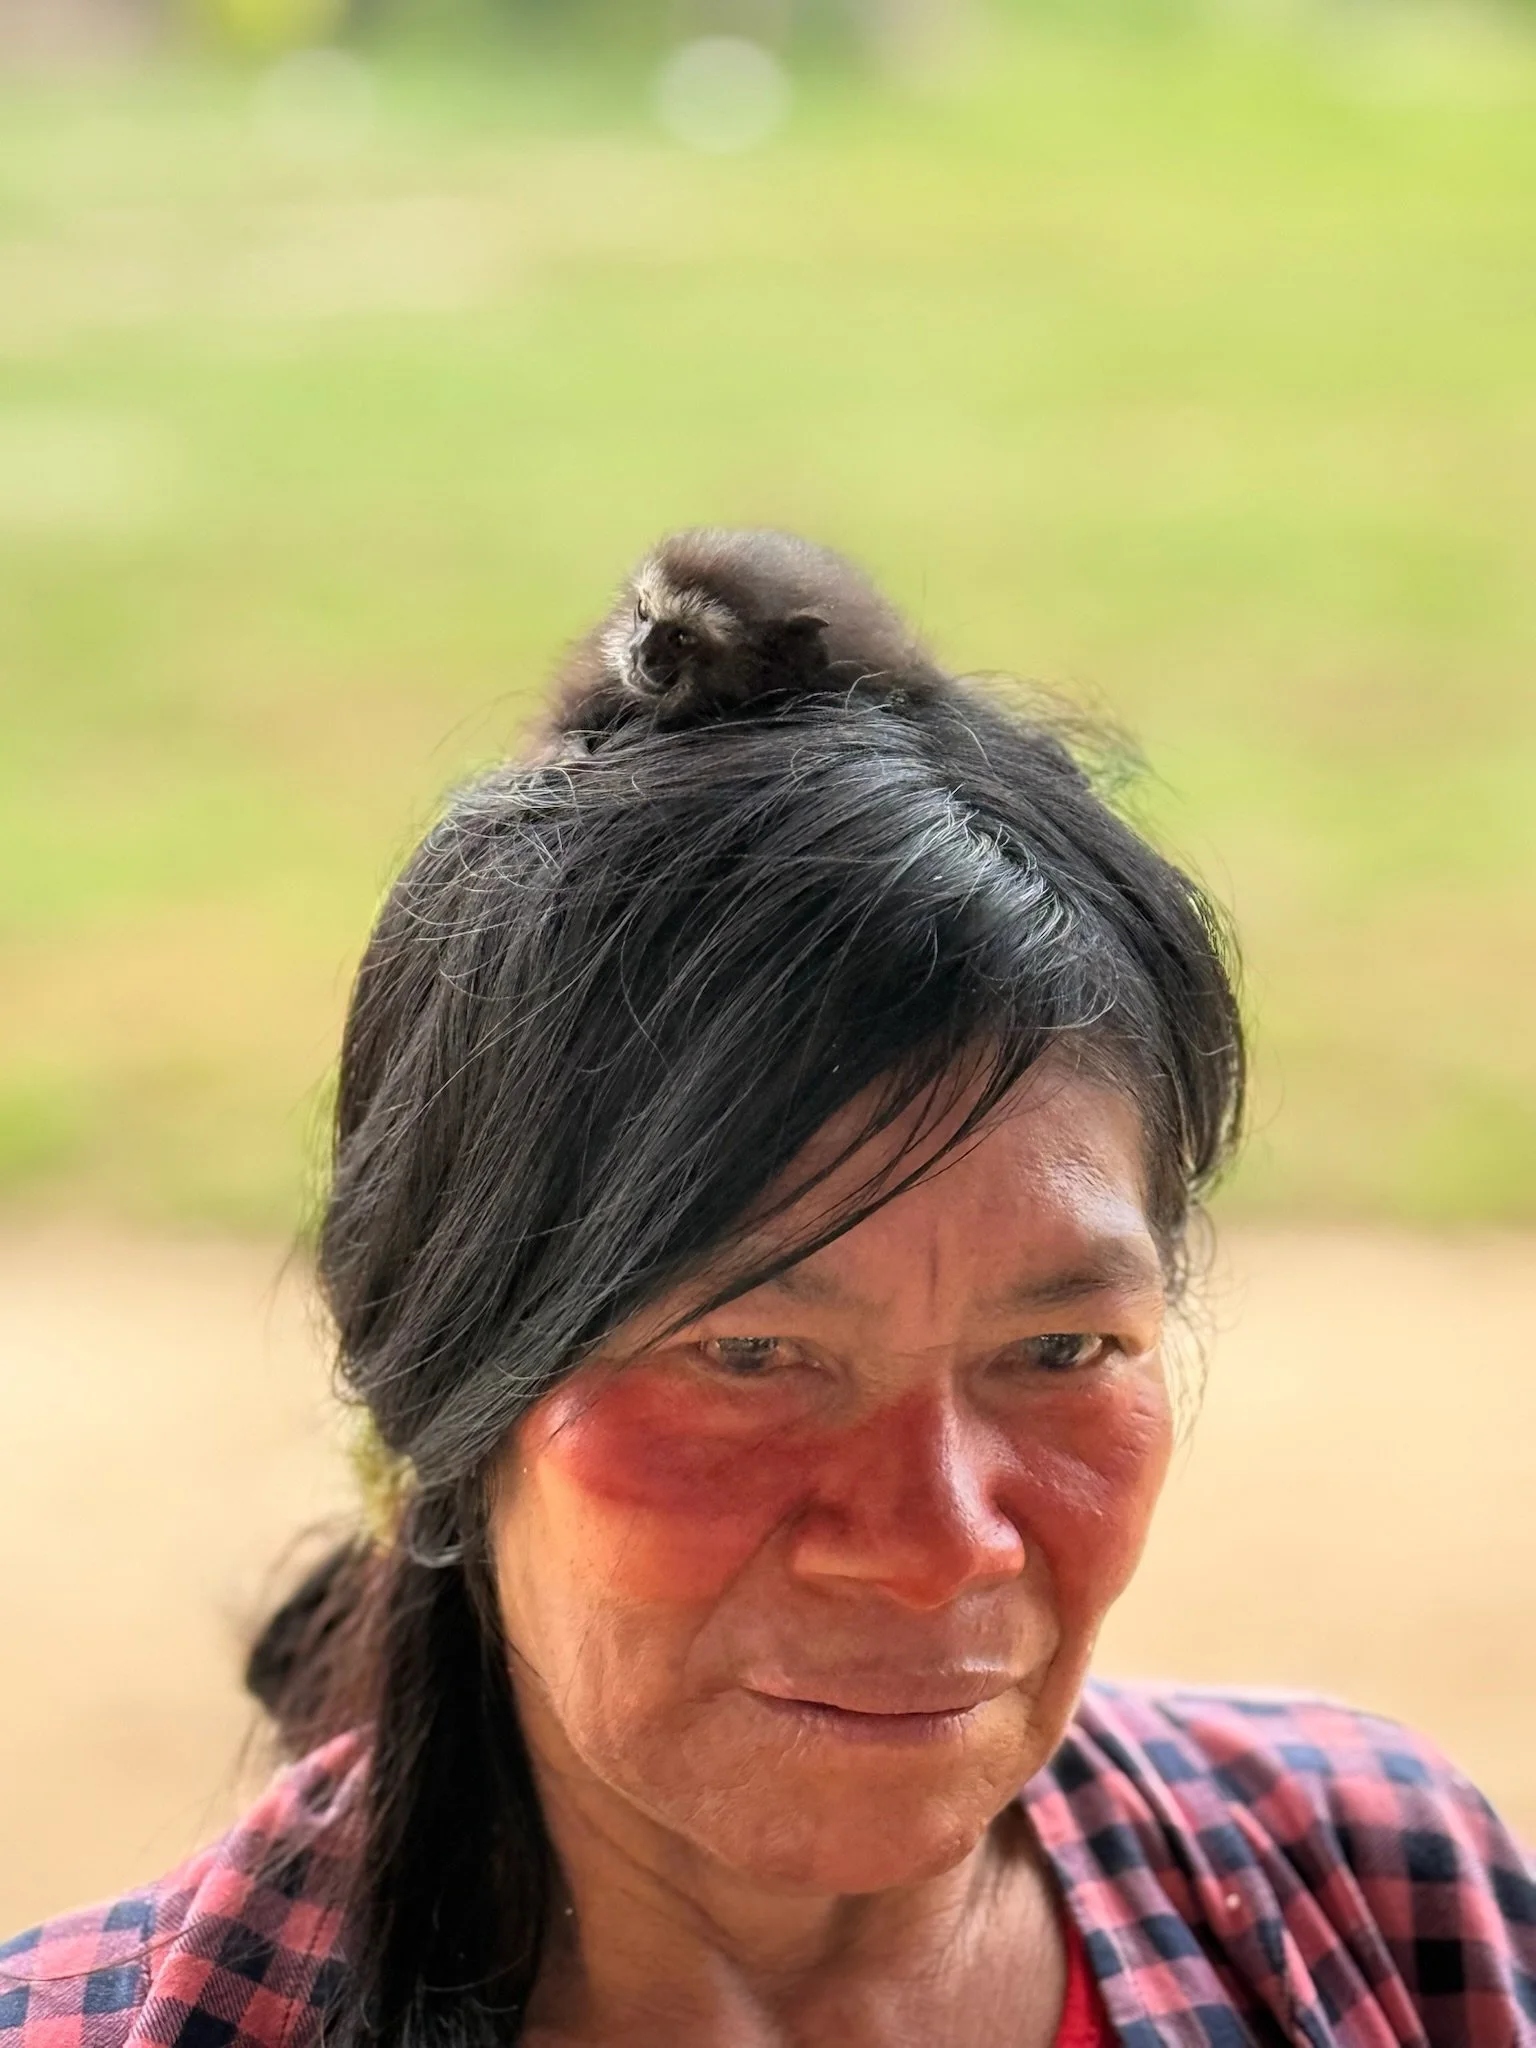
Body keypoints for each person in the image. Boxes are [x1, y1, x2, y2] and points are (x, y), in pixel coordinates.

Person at [3, 533, 1531, 2048]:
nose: (937, 1545)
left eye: (1062, 1346)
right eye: (751, 1354)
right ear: (449, 1388)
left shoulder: (1383, 1910)